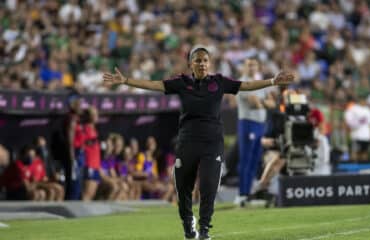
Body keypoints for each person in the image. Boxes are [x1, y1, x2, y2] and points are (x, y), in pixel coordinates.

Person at [103, 45, 294, 240]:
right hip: (187, 141)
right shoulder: (181, 82)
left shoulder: (219, 82)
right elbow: (155, 85)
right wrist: (126, 81)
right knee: (183, 187)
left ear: (209, 63)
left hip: (212, 142)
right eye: (198, 60)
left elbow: (245, 85)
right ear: (190, 64)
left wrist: (272, 81)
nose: (202, 64)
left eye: (205, 60)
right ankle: (188, 224)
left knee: (209, 186)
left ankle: (204, 229)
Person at [235, 58, 268, 206]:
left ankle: (249, 193)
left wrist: (262, 102)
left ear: (258, 66)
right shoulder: (242, 83)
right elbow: (254, 103)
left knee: (255, 160)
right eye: (248, 65)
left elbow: (272, 102)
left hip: (261, 124)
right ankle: (242, 194)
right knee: (246, 159)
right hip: (248, 123)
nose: (251, 67)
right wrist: (264, 103)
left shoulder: (260, 83)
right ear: (244, 67)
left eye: (254, 64)